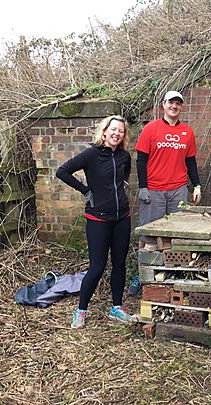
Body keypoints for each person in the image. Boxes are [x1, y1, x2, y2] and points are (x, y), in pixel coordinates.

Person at [56, 115, 133, 329]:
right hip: (98, 220)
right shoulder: (91, 154)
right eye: (113, 129)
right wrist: (86, 191)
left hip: (122, 219)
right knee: (97, 267)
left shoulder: (125, 157)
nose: (117, 133)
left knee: (119, 264)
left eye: (121, 131)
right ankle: (81, 311)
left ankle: (116, 308)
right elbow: (62, 171)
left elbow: (124, 179)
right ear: (105, 131)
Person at [131, 90, 201, 296]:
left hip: (178, 189)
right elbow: (141, 159)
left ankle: (173, 276)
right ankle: (142, 275)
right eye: (171, 102)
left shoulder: (187, 132)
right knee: (148, 235)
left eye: (178, 103)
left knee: (177, 235)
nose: (174, 106)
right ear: (163, 105)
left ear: (181, 107)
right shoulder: (151, 129)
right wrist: (143, 186)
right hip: (154, 190)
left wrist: (196, 185)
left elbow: (191, 161)